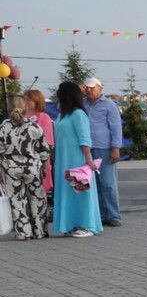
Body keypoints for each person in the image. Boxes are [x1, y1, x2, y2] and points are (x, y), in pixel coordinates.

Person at [52, 81, 102, 238]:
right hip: (63, 160)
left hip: (77, 160)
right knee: (68, 191)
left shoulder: (78, 114)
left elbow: (84, 138)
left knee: (81, 192)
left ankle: (88, 225)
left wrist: (88, 159)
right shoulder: (62, 115)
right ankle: (70, 224)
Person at [0, 97, 53, 240]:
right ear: (25, 109)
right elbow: (44, 150)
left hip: (11, 168)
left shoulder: (4, 126)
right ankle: (40, 231)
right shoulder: (34, 127)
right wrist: (45, 166)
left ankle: (24, 232)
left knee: (17, 200)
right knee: (37, 198)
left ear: (10, 108)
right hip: (33, 168)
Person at [83, 78, 123, 225]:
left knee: (108, 183)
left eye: (92, 88)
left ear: (100, 88)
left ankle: (114, 215)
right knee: (94, 184)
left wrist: (115, 148)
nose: (89, 90)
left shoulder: (109, 105)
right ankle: (101, 215)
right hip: (87, 148)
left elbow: (116, 128)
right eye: (87, 87)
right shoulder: (82, 104)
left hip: (104, 148)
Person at [24, 90, 55, 204]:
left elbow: (48, 141)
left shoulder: (44, 117)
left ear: (37, 100)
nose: (26, 102)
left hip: (38, 157)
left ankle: (42, 215)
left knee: (40, 189)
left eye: (29, 100)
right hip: (23, 157)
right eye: (25, 99)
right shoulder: (22, 115)